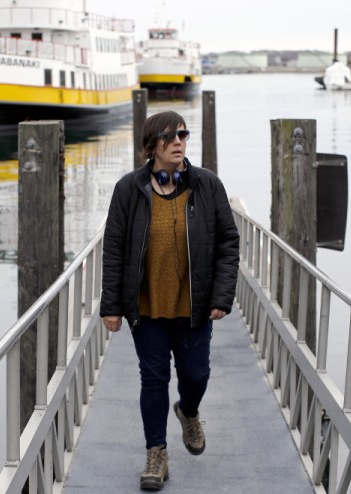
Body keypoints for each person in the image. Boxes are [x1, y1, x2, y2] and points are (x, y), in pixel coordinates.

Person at [100, 111, 240, 491]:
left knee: (196, 375)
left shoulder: (207, 185)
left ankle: (189, 411)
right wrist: (111, 306)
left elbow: (228, 242)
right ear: (152, 145)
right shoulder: (129, 189)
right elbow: (113, 249)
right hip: (146, 307)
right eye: (169, 136)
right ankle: (156, 454)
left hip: (194, 306)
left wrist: (222, 295)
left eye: (183, 134)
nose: (178, 141)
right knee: (154, 378)